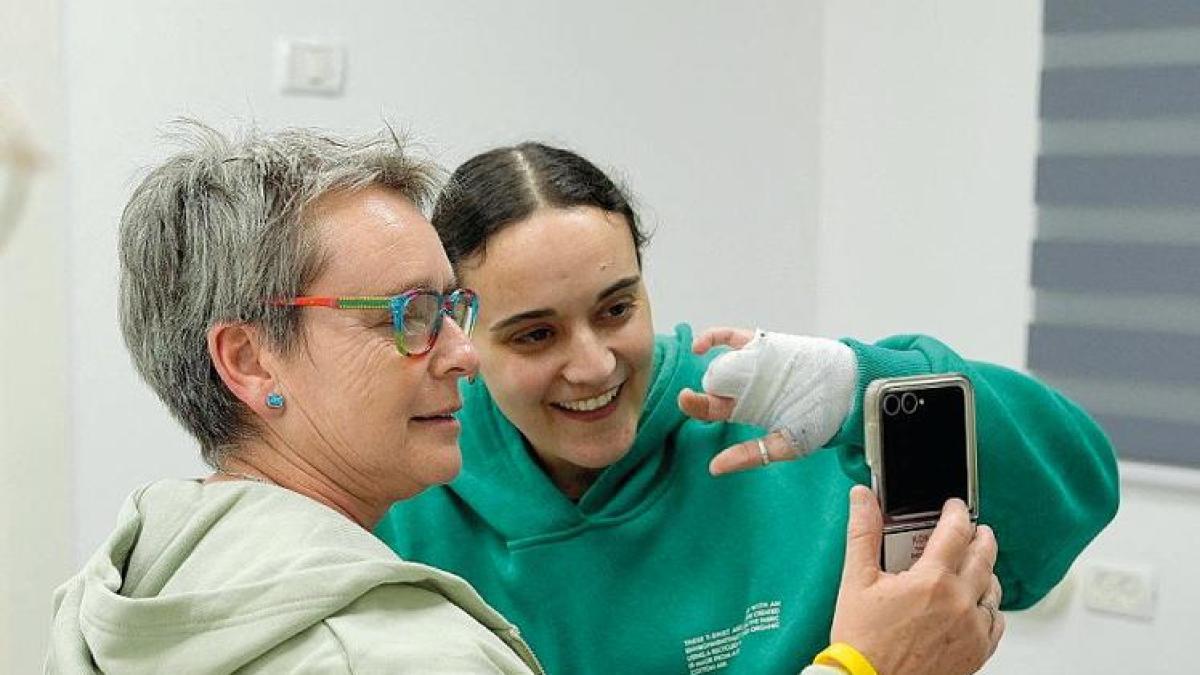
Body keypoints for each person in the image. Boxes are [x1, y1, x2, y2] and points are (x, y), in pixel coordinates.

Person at [376, 142, 1120, 675]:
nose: (593, 363)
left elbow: (1072, 493)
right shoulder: (406, 491)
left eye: (615, 308)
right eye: (536, 333)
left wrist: (869, 381)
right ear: (460, 333)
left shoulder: (772, 416)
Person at [46, 123, 543, 674]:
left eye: (450, 307)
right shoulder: (399, 656)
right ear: (249, 361)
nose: (465, 354)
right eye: (408, 314)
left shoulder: (123, 602)